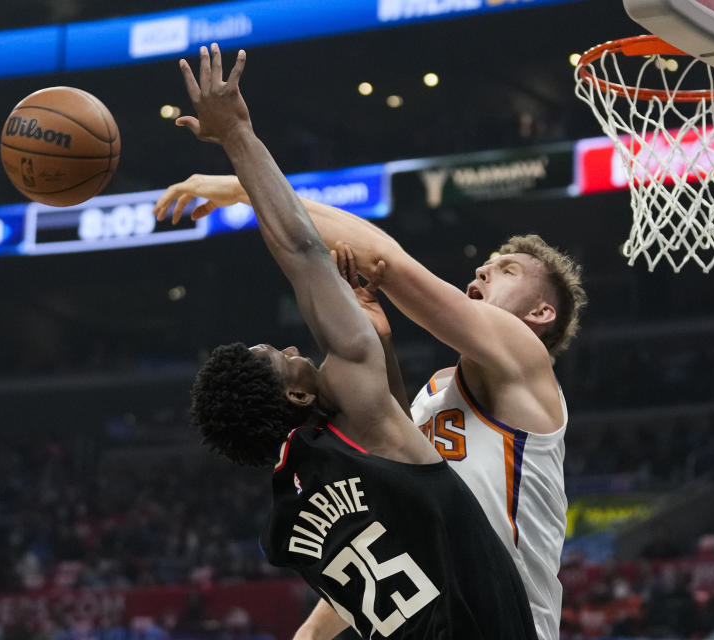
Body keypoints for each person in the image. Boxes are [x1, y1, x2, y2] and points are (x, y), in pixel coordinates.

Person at [154, 91, 587, 640]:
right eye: (482, 266)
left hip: (516, 621)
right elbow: (405, 503)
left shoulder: (525, 360)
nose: (478, 273)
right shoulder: (431, 394)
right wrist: (382, 351)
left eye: (504, 270)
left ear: (541, 312)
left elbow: (386, 260)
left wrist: (241, 188)